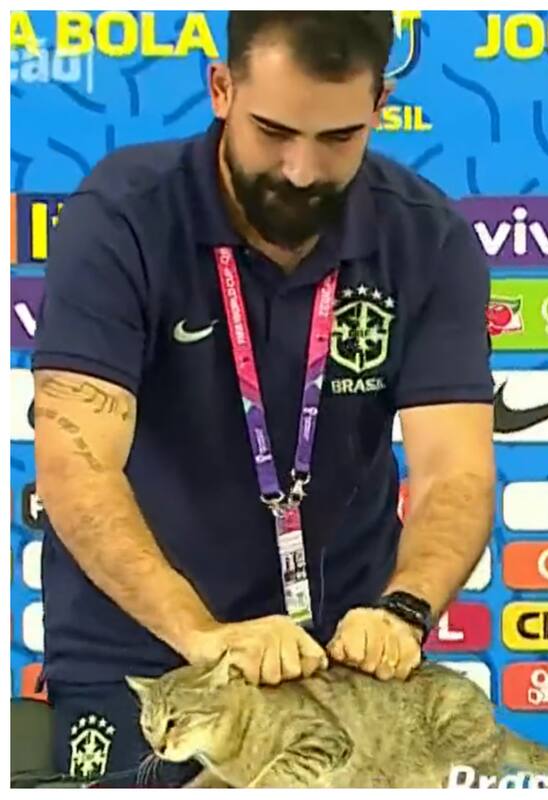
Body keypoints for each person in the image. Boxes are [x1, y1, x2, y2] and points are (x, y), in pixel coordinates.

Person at [32, 11, 496, 787]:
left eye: (338, 137)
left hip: (338, 672)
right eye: (274, 130)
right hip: (153, 661)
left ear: (380, 105)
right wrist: (207, 638)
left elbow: (456, 473)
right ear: (221, 88)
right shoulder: (123, 215)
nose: (302, 169)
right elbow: (77, 463)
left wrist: (405, 611)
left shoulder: (429, 236)